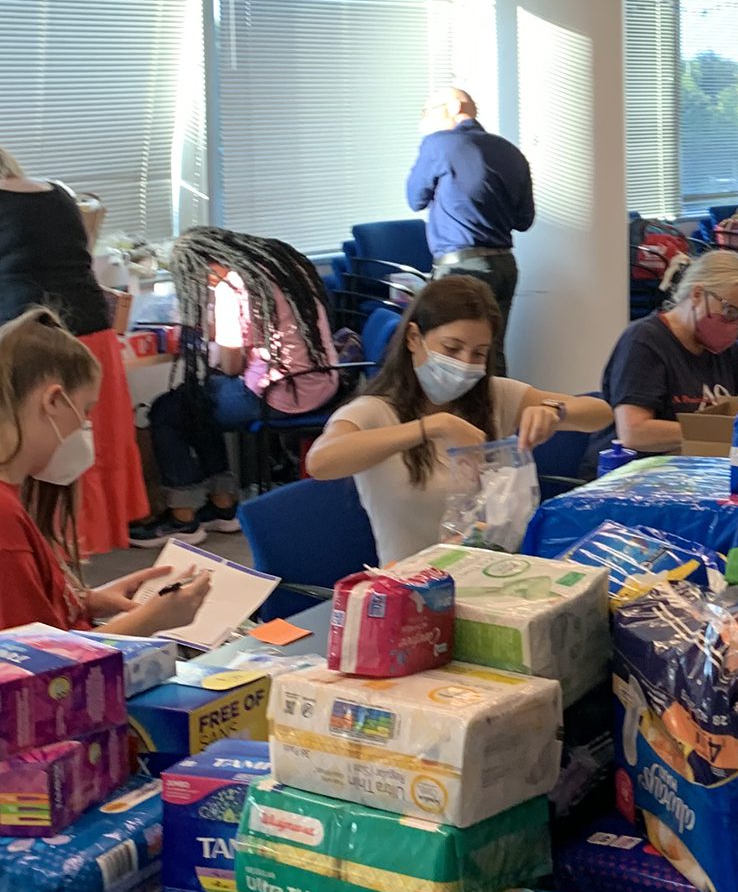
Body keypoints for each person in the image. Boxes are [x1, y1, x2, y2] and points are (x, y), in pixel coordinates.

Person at [307, 276, 612, 563]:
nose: (465, 364)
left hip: (493, 575)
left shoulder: (493, 395)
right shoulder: (373, 411)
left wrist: (554, 411)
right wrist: (432, 427)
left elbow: (600, 413)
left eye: (479, 353)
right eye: (451, 348)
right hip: (413, 590)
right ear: (414, 338)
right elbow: (320, 462)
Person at [0, 309, 213, 634]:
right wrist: (146, 622)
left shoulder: (13, 498)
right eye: (85, 410)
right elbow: (34, 668)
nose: (87, 427)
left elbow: (31, 612)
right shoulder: (5, 517)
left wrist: (87, 600)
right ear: (54, 401)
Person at [131, 228, 340, 547]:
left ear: (209, 265)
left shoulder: (234, 286)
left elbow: (231, 365)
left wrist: (213, 337)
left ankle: (183, 518)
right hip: (321, 381)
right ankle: (222, 507)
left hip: (280, 393)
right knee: (200, 401)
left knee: (167, 411)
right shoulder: (284, 267)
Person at [0, 146, 149, 556]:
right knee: (85, 450)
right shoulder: (58, 194)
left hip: (33, 347)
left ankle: (43, 559)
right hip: (93, 339)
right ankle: (69, 559)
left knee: (34, 455)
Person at [407, 87, 535, 370]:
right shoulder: (510, 151)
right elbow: (524, 221)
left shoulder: (438, 145)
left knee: (453, 357)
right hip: (504, 266)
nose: (423, 121)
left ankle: (459, 416)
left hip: (461, 269)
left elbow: (415, 198)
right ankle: (497, 412)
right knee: (491, 352)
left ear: (453, 108)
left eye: (427, 111)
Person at [601, 251, 738, 455]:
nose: (734, 326)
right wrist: (723, 431)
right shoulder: (644, 341)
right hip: (643, 471)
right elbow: (634, 432)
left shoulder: (718, 345)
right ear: (697, 294)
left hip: (696, 465)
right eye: (729, 312)